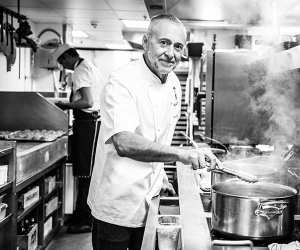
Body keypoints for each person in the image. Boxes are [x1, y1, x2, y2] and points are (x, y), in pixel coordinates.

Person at [88, 14, 215, 250]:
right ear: (146, 42)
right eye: (164, 43)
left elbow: (158, 136)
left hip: (150, 198)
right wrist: (181, 154)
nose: (171, 53)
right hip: (117, 203)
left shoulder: (174, 82)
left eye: (178, 46)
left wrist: (162, 175)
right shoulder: (122, 81)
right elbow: (124, 142)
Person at [52, 44, 105, 233]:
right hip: (93, 123)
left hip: (87, 124)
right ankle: (83, 216)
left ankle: (85, 219)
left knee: (85, 174)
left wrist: (64, 105)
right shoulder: (89, 66)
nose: (63, 66)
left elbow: (88, 102)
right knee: (88, 173)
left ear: (68, 57)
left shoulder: (80, 71)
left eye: (62, 61)